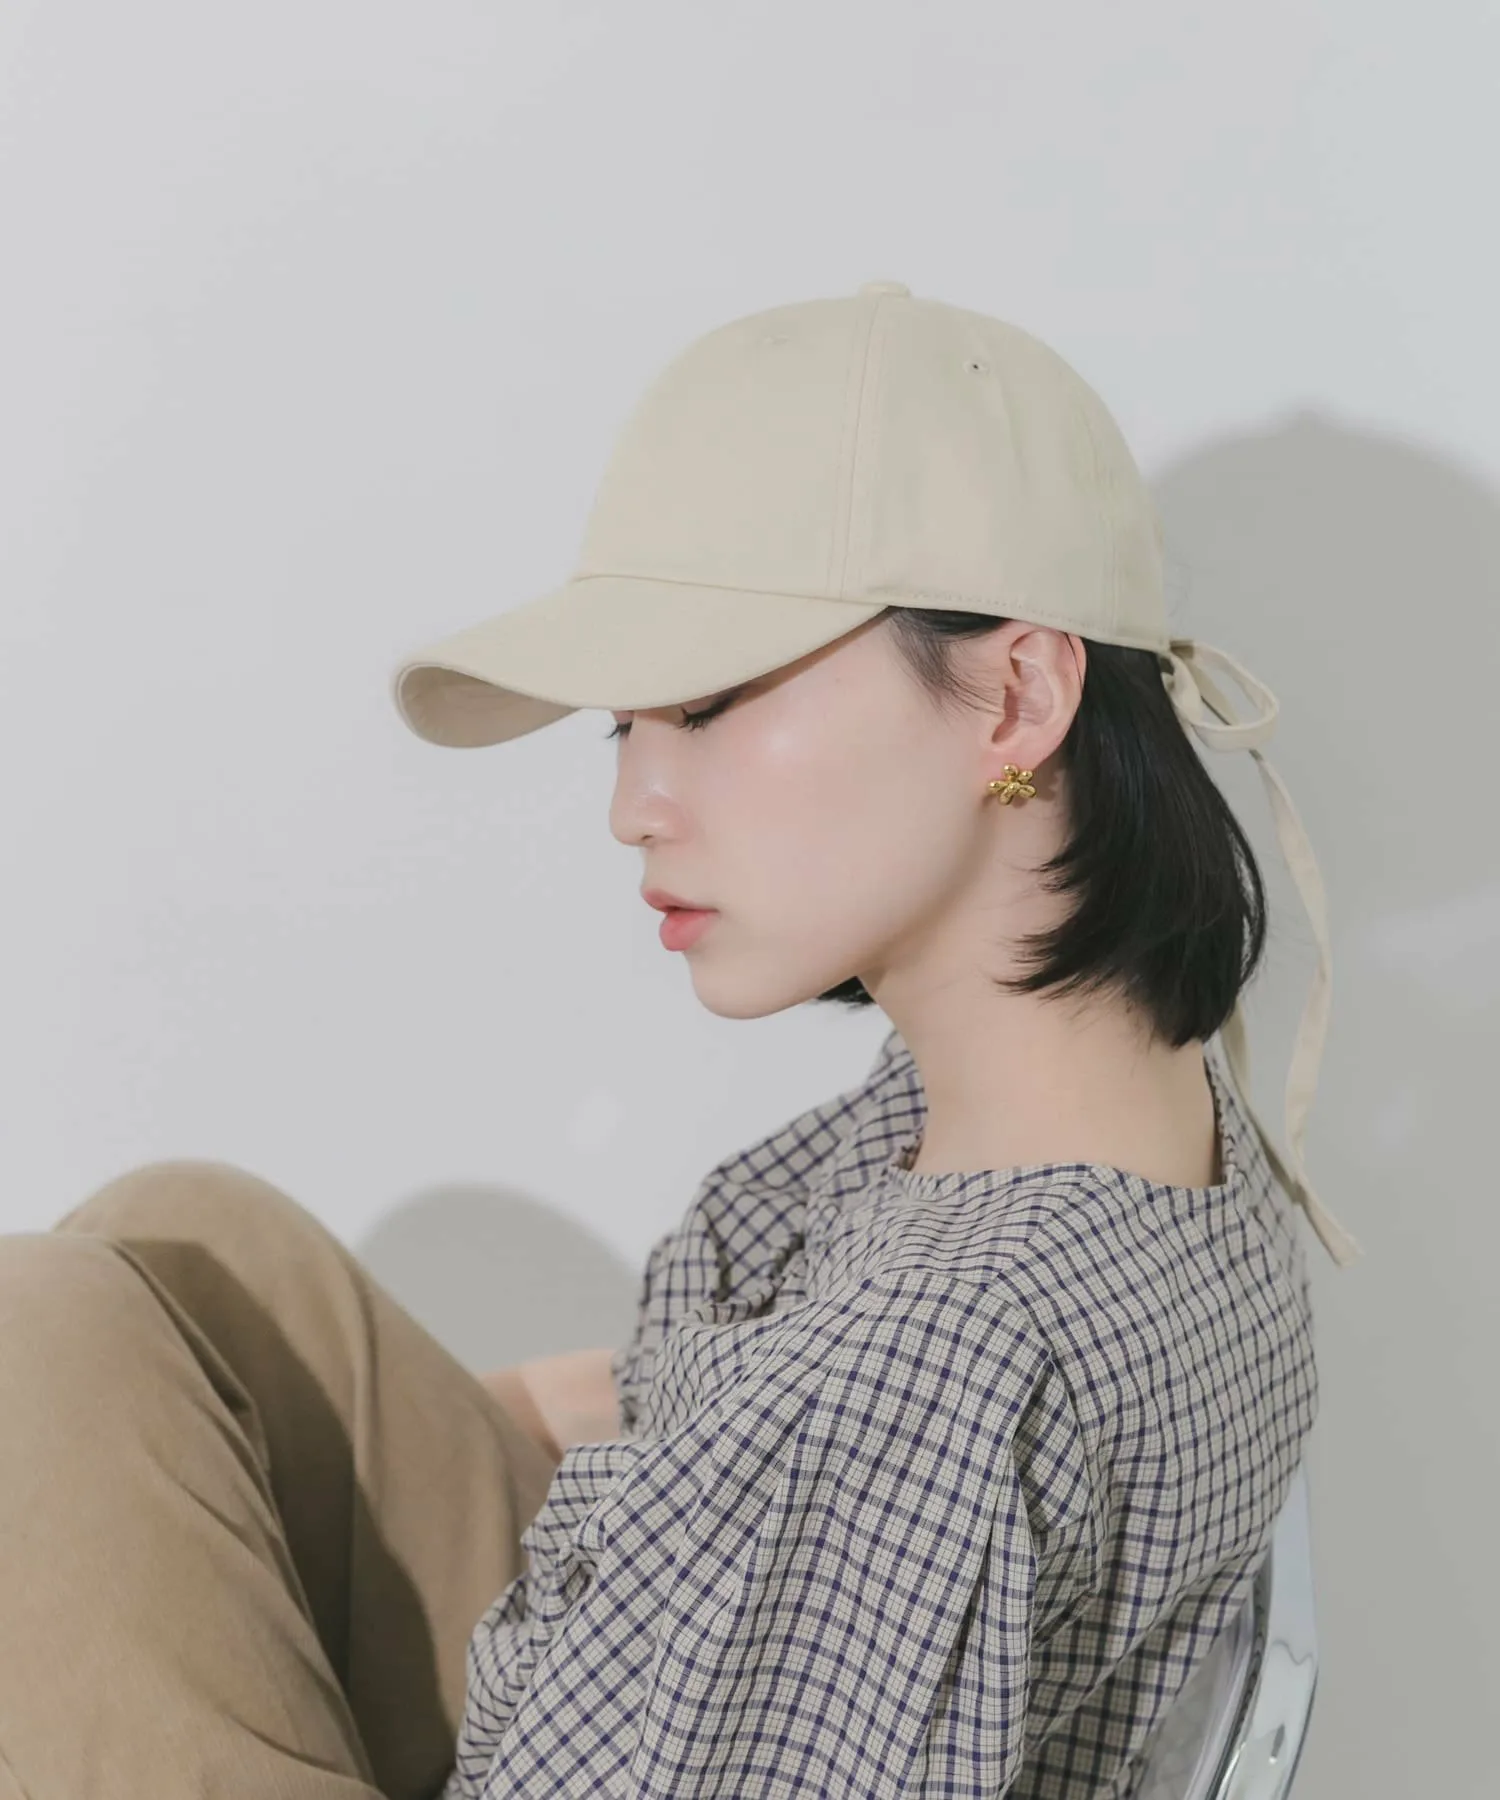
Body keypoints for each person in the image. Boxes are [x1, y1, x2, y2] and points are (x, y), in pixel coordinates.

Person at [0, 280, 1361, 1799]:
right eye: (622, 726)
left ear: (1017, 697)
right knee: (188, 1250)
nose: (631, 806)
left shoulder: (921, 1377)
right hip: (670, 1672)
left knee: (38, 1345)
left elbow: (855, 1436)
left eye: (704, 708)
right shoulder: (1081, 1100)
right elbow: (751, 1422)